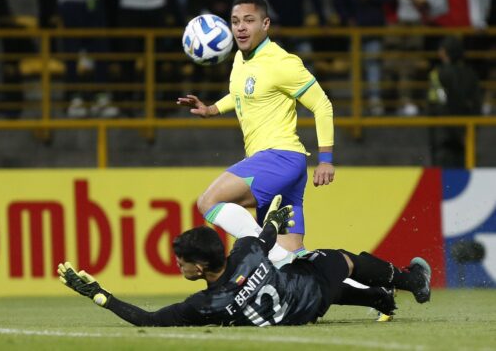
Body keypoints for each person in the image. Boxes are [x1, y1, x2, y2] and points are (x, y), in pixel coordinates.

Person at [58, 196, 431, 327]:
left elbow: (148, 319)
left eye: (181, 262)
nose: (179, 266)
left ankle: (382, 297)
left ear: (200, 268)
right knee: (343, 260)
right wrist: (274, 222)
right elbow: (264, 238)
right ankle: (410, 280)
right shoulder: (246, 253)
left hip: (297, 315)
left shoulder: (204, 306)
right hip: (306, 294)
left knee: (301, 266)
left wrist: (98, 294)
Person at [177, 0, 335, 264]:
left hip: (278, 158)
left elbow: (322, 105)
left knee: (208, 202)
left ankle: (263, 247)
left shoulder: (281, 63)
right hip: (285, 167)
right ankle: (376, 290)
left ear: (265, 24)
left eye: (249, 21)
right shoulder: (241, 58)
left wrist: (326, 160)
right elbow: (240, 94)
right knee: (295, 259)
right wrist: (212, 109)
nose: (240, 27)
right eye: (235, 21)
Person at [427, 36, 482, 167]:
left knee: (444, 184)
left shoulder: (438, 74)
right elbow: (477, 106)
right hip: (466, 136)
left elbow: (439, 104)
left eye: (441, 49)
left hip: (444, 138)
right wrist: (468, 133)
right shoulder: (472, 74)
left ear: (445, 52)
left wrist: (454, 131)